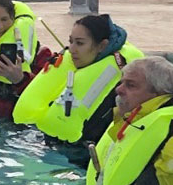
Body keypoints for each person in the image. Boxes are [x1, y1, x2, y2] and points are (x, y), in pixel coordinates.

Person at [14, 14, 144, 146]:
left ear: (102, 46)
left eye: (80, 43)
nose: (71, 49)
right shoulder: (77, 67)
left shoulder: (120, 82)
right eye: (71, 42)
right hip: (53, 144)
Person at [87, 56, 173, 185]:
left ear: (158, 93)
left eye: (130, 85)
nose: (118, 89)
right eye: (121, 82)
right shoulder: (130, 121)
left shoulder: (169, 138)